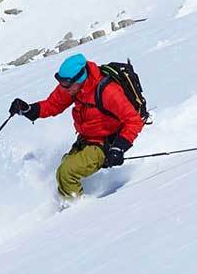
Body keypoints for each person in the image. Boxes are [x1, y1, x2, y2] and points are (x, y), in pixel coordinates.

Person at [10, 53, 144, 201]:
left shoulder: (108, 92)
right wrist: (28, 109)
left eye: (66, 83)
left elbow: (134, 120)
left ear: (80, 79)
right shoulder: (73, 88)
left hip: (105, 143)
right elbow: (53, 105)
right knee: (65, 165)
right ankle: (71, 202)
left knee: (66, 172)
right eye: (60, 82)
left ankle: (77, 213)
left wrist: (119, 148)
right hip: (86, 139)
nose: (62, 87)